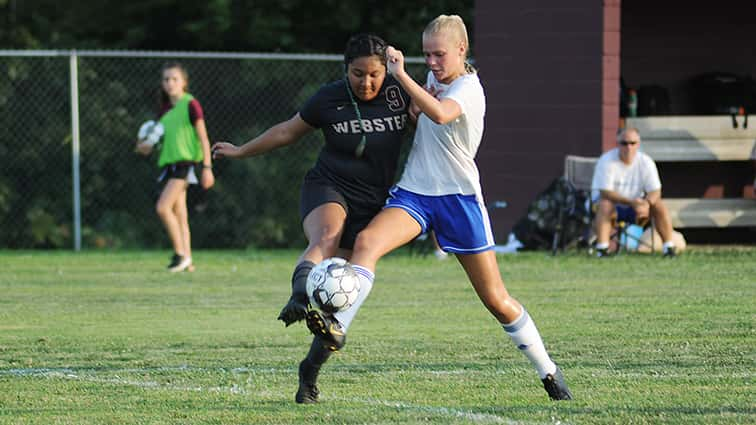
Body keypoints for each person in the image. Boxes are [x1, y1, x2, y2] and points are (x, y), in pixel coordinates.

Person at [303, 15, 573, 403]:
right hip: (414, 194)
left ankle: (547, 370)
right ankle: (322, 349)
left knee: (496, 299)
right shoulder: (433, 80)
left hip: (458, 200)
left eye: (439, 54)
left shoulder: (469, 87)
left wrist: (402, 76)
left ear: (461, 50)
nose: (431, 61)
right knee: (365, 244)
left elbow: (443, 113)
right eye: (426, 54)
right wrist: (411, 97)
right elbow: (423, 114)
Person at [211, 34, 411, 403]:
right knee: (326, 238)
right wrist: (240, 151)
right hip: (328, 186)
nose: (366, 82)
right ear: (344, 69)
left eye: (374, 75)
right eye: (357, 73)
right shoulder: (329, 97)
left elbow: (440, 115)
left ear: (388, 70)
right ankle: (299, 297)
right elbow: (287, 131)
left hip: (374, 203)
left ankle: (310, 371)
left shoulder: (401, 94)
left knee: (342, 299)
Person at [136, 62, 214, 272]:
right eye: (166, 80)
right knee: (180, 214)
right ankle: (188, 261)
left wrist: (207, 167)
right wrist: (144, 146)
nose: (169, 83)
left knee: (163, 207)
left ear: (184, 83)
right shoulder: (164, 112)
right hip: (170, 166)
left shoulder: (191, 104)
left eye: (174, 79)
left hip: (185, 165)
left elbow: (203, 138)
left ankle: (180, 255)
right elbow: (155, 141)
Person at [591, 127, 677, 257]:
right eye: (624, 143)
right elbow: (605, 193)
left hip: (637, 209)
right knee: (605, 204)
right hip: (612, 208)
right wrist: (632, 202)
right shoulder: (606, 160)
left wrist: (647, 203)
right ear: (617, 143)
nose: (628, 147)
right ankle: (602, 249)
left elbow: (655, 190)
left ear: (639, 144)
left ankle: (669, 248)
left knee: (659, 205)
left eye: (633, 143)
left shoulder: (646, 162)